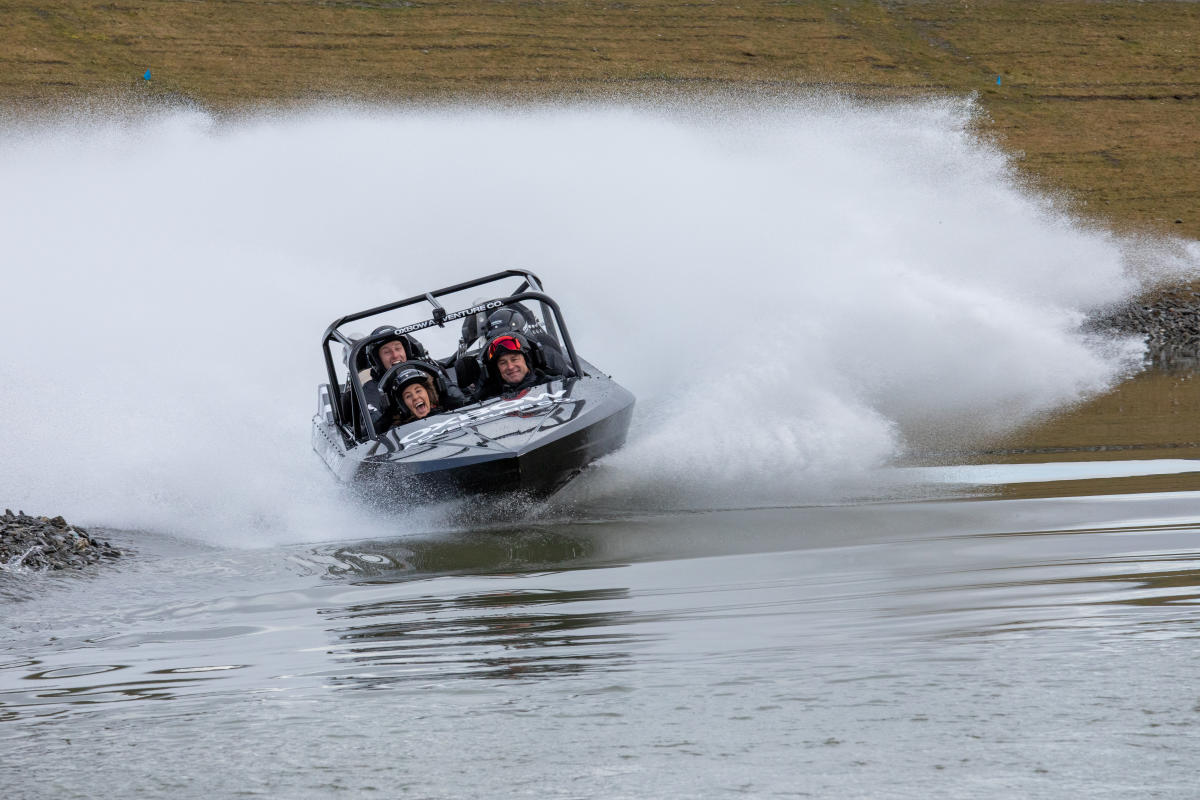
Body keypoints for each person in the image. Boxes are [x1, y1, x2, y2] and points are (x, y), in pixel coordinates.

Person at [474, 331, 565, 401]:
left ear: (526, 360)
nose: (510, 366)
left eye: (514, 359)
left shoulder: (557, 384)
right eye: (503, 363)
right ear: (497, 369)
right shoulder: (487, 400)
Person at [380, 361, 467, 426]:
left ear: (429, 393)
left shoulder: (454, 411)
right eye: (408, 396)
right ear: (403, 405)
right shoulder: (398, 432)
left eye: (418, 391)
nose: (415, 397)